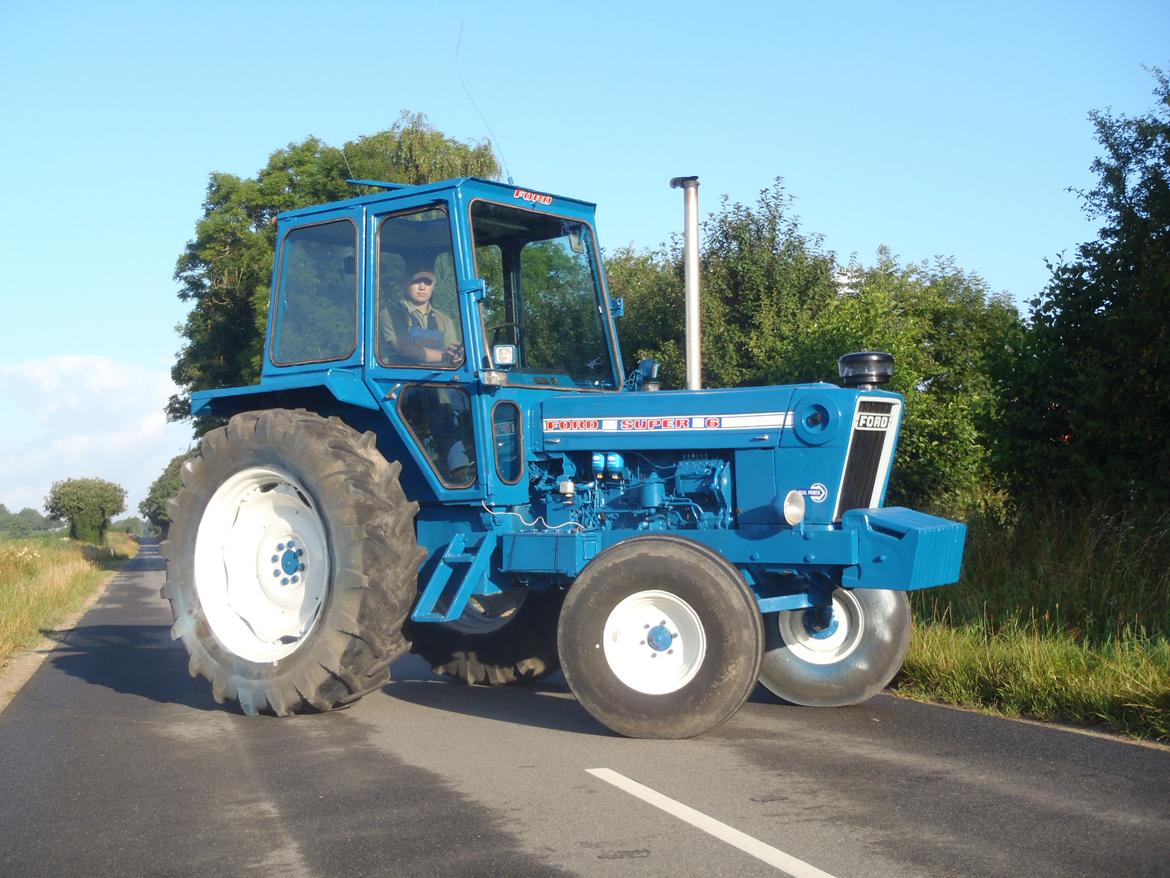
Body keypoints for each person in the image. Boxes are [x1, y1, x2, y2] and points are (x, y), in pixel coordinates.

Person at [380, 265, 463, 366]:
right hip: (399, 378)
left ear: (433, 286)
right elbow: (403, 348)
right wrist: (444, 356)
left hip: (438, 379)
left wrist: (455, 357)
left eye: (427, 283)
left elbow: (452, 355)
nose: (422, 287)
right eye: (416, 281)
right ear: (405, 283)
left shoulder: (445, 320)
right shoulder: (391, 313)